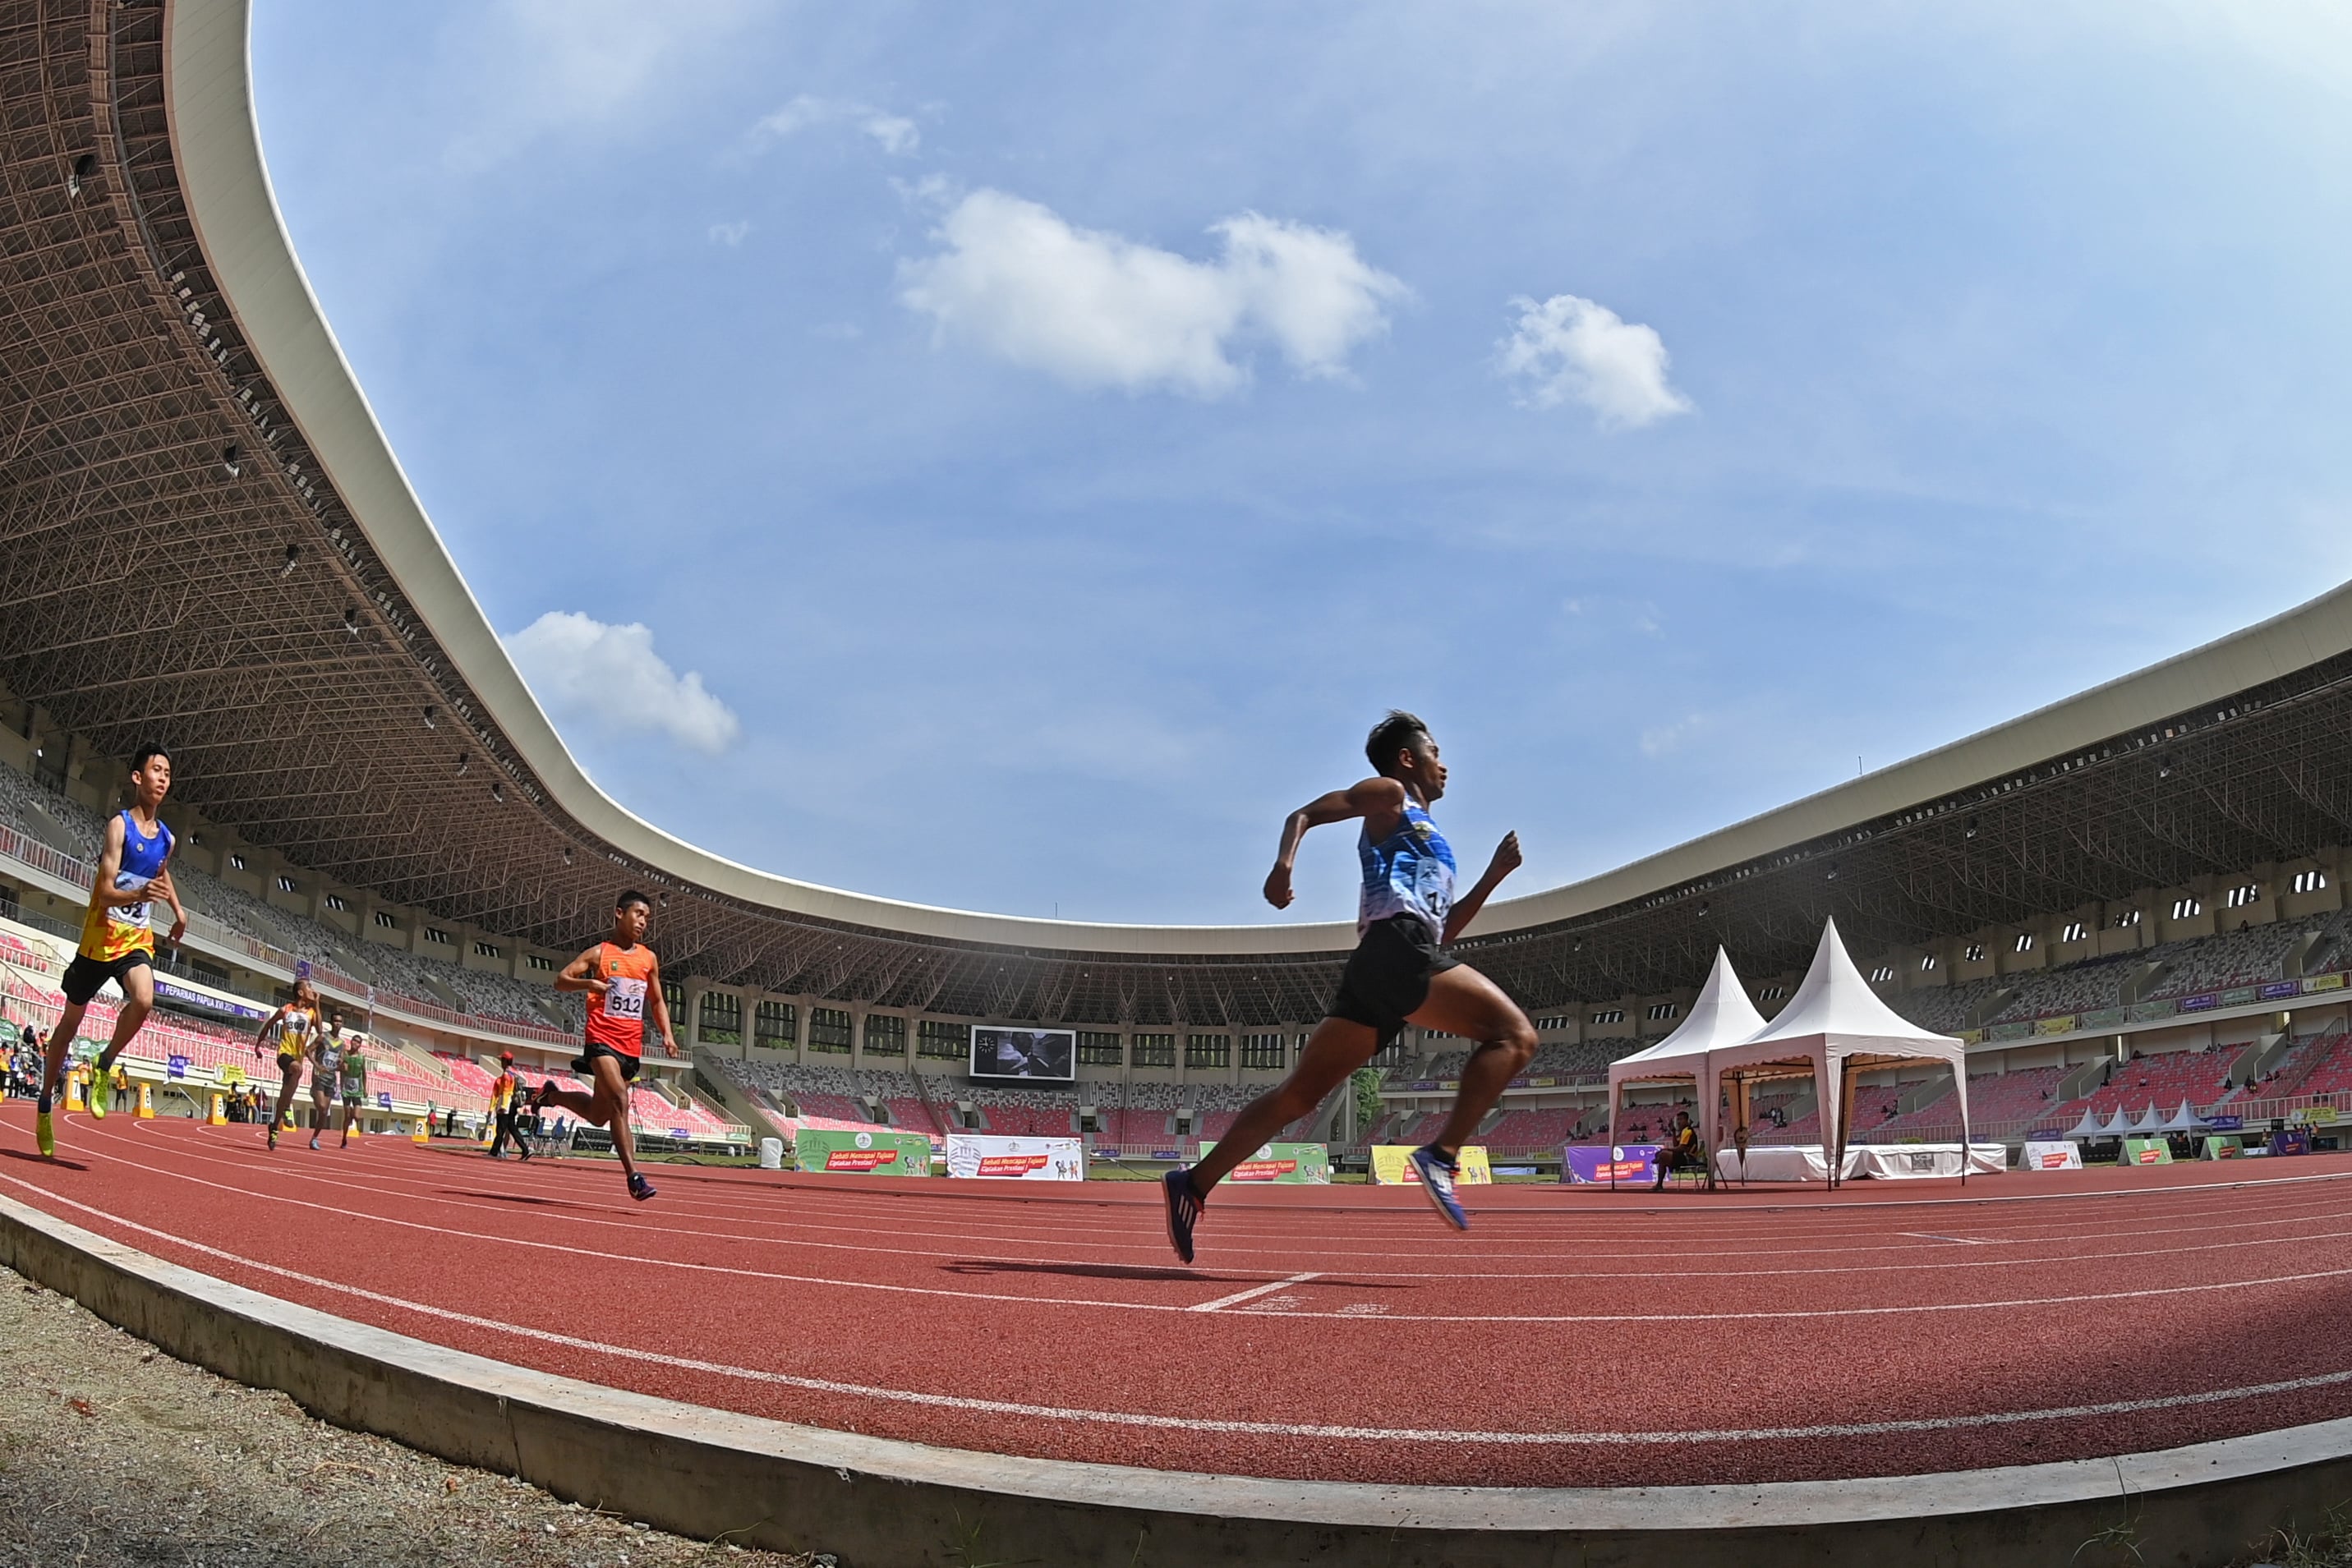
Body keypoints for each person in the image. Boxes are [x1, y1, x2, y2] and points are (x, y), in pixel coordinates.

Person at [1162, 712, 1532, 1260]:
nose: (1444, 765)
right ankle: (1441, 1154)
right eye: (1435, 752)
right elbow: (1306, 812)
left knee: (1298, 1095)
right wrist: (1282, 866)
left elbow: (1443, 930)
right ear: (1408, 759)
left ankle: (1191, 1183)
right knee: (1515, 1037)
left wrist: (1492, 878)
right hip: (1394, 946)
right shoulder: (1390, 795)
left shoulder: (1436, 840)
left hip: (1390, 959)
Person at [35, 743, 188, 1159]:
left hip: (135, 939)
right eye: (155, 770)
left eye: (167, 773)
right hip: (99, 939)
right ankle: (46, 1103)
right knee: (68, 1026)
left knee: (144, 999)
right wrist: (139, 892)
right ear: (137, 778)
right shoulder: (119, 827)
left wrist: (177, 911)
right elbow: (104, 894)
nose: (162, 778)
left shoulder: (168, 839)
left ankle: (104, 1063)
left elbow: (162, 874)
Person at [536, 890, 674, 1202]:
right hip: (601, 1041)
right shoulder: (600, 954)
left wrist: (667, 1034)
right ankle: (634, 1177)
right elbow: (561, 979)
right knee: (620, 1100)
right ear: (619, 914)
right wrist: (590, 984)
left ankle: (551, 1095)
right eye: (638, 914)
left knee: (601, 1115)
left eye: (647, 918)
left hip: (630, 1047)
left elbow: (656, 1000)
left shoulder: (648, 959)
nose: (643, 922)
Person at [252, 978, 323, 1152]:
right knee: (297, 1069)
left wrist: (318, 1004)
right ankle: (286, 1108)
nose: (312, 990)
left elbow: (320, 1031)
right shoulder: (286, 1010)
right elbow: (268, 1024)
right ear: (300, 992)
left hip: (297, 1058)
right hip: (284, 1054)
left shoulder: (312, 1013)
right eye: (309, 987)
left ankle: (274, 1126)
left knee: (286, 1091)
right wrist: (258, 1045)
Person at [306, 1010, 350, 1152]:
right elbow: (308, 1050)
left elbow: (340, 1063)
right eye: (335, 1021)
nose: (338, 1023)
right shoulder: (322, 1037)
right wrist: (317, 1065)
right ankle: (314, 1092)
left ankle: (314, 1138)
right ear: (331, 1023)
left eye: (340, 1021)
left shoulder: (342, 1044)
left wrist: (342, 1066)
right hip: (319, 1075)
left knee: (324, 1113)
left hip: (331, 1079)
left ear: (342, 1024)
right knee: (322, 1107)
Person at [486, 1052, 531, 1161]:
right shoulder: (513, 1074)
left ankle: (494, 1152)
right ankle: (525, 1150)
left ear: (505, 1061)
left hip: (506, 1104)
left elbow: (506, 1092)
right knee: (512, 1128)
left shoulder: (506, 1076)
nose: (501, 1062)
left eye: (502, 1060)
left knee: (500, 1129)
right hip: (512, 1105)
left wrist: (502, 1106)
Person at [1653, 1109, 1702, 1191]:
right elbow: (1676, 1145)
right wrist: (1673, 1132)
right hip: (1681, 1156)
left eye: (1681, 1119)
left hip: (1688, 1158)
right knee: (1661, 1156)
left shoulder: (1688, 1131)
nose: (1679, 1122)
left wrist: (1668, 1149)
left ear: (1687, 1120)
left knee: (1663, 1155)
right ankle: (1659, 1185)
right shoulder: (1682, 1132)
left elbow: (1681, 1148)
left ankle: (1659, 1184)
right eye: (1678, 1119)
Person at [335, 1032, 369, 1147]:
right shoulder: (344, 1054)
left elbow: (364, 1074)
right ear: (351, 1042)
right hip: (346, 1088)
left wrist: (365, 1089)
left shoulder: (361, 1058)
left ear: (360, 1045)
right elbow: (338, 1066)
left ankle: (353, 1118)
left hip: (357, 1088)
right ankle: (344, 1138)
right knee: (347, 1115)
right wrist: (341, 1066)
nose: (355, 1043)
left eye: (358, 1042)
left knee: (357, 1116)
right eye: (354, 1040)